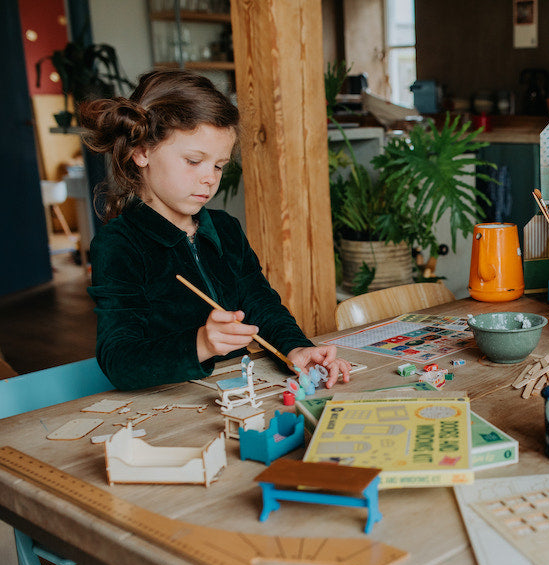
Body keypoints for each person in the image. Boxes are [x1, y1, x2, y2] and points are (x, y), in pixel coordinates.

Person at [79, 70, 353, 391]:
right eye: (194, 161)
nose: (210, 178)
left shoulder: (225, 228)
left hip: (237, 389)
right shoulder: (119, 244)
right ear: (142, 152)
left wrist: (297, 348)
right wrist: (201, 343)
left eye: (219, 165)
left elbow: (260, 303)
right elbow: (119, 360)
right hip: (166, 403)